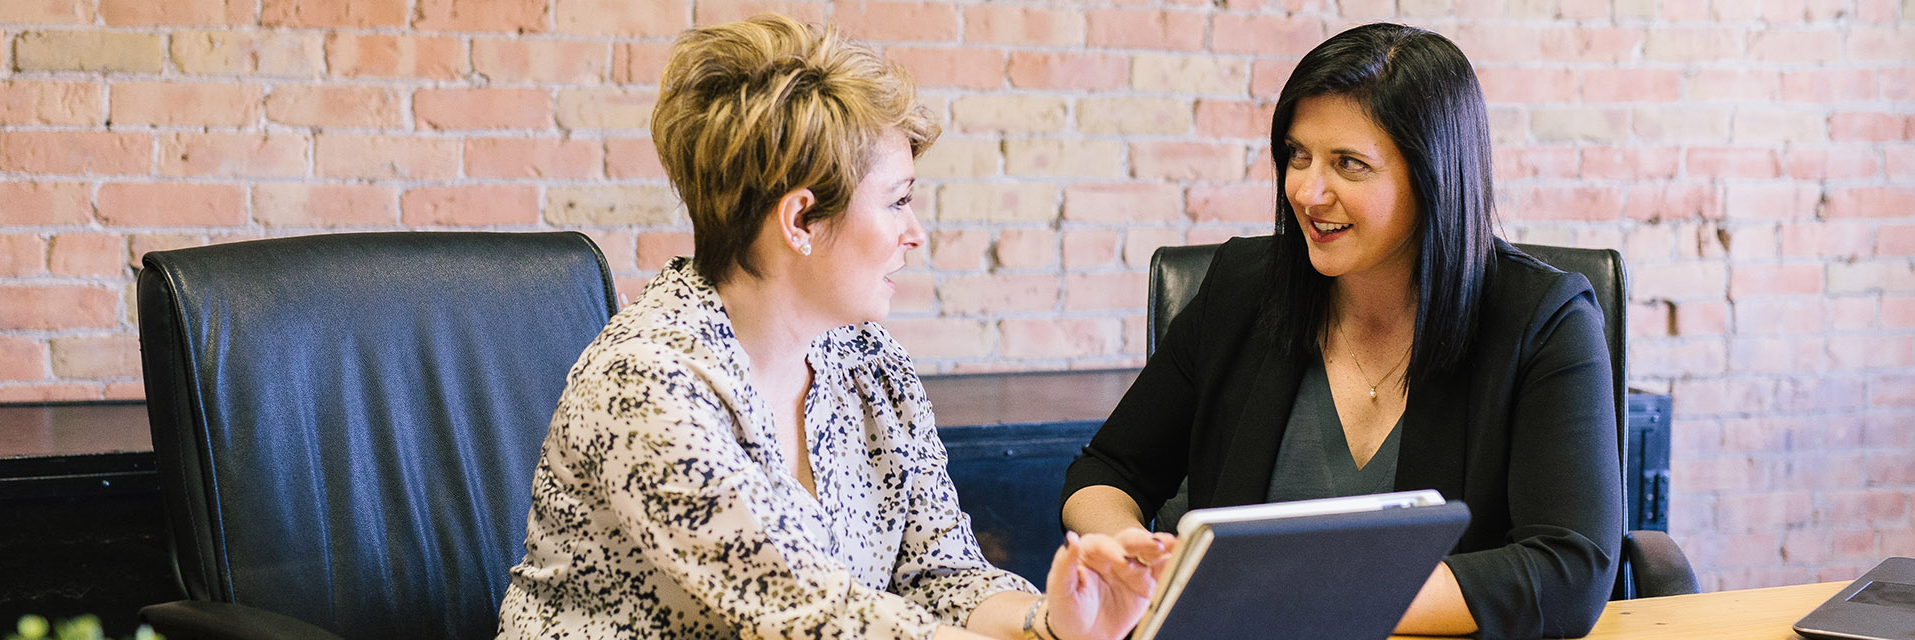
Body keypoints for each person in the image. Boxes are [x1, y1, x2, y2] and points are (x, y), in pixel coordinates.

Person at [496, 13, 1171, 640]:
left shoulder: (873, 365)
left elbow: (940, 578)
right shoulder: (647, 383)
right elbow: (812, 617)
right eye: (898, 201)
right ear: (799, 221)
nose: (915, 233)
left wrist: (1050, 622)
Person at [1058, 22, 1622, 640]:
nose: (1307, 190)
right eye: (1298, 155)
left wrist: (1304, 599)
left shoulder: (1544, 318)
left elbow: (1571, 569)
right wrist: (1132, 553)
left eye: (1349, 164)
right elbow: (1106, 471)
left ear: (1433, 175)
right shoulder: (1243, 288)